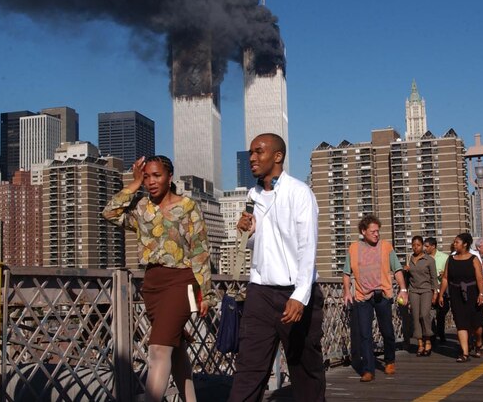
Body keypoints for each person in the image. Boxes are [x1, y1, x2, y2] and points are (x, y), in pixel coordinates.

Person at [102, 155, 214, 402]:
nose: (151, 181)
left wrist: (206, 294)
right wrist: (133, 184)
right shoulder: (142, 208)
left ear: (169, 177)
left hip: (180, 281)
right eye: (147, 176)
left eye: (157, 175)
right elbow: (109, 212)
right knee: (175, 352)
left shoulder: (187, 206)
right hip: (152, 284)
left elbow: (200, 251)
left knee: (158, 349)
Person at [229, 134, 325, 401]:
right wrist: (248, 232)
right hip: (260, 292)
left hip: (295, 293)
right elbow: (261, 246)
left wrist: (300, 295)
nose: (252, 158)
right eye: (250, 153)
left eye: (259, 152)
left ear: (278, 156)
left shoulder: (299, 192)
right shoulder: (253, 195)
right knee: (249, 368)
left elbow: (308, 246)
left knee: (305, 370)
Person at [342, 214, 409, 382]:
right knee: (365, 334)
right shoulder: (354, 248)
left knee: (386, 330)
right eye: (373, 231)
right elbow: (346, 273)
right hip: (362, 297)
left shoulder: (386, 247)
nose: (376, 234)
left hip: (383, 295)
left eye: (378, 231)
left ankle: (390, 360)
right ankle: (368, 370)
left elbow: (398, 269)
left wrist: (403, 289)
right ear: (363, 231)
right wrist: (347, 292)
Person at [438, 233, 483, 362]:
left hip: (472, 292)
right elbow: (446, 278)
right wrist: (441, 294)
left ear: (465, 244)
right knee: (461, 323)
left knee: (477, 325)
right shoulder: (451, 259)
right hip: (456, 293)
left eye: (457, 242)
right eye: (454, 242)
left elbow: (480, 278)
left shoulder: (474, 259)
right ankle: (465, 353)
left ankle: (478, 342)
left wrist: (481, 294)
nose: (454, 244)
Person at [405, 235, 439, 356]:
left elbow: (434, 278)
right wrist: (406, 270)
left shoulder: (429, 260)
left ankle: (428, 340)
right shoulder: (409, 259)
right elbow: (408, 278)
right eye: (413, 245)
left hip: (426, 290)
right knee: (415, 316)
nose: (415, 248)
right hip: (413, 290)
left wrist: (436, 293)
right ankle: (420, 343)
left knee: (424, 314)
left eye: (418, 245)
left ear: (423, 245)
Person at [425, 238, 450, 343]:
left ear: (433, 246)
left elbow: (449, 273)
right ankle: (432, 335)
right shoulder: (423, 258)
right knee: (428, 313)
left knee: (441, 312)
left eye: (427, 246)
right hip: (428, 289)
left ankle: (441, 333)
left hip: (441, 288)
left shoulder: (445, 257)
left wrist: (443, 273)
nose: (424, 248)